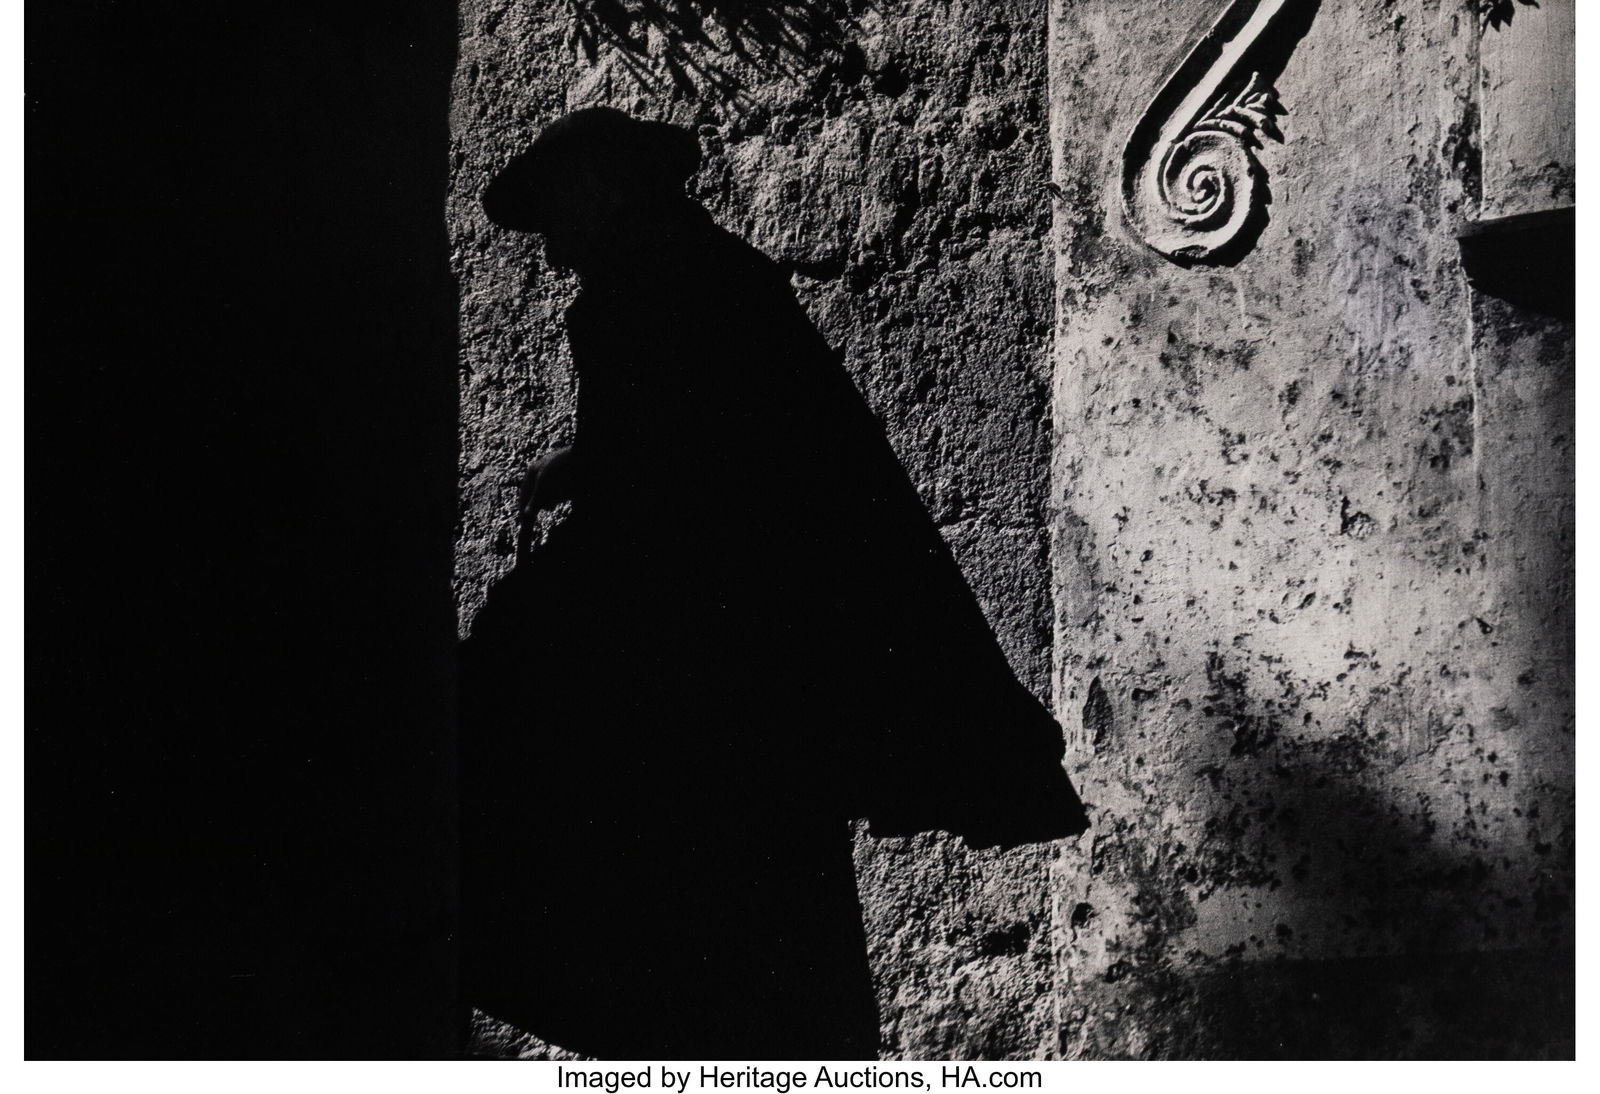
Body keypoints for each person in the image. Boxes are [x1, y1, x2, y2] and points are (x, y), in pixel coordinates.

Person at [459, 107, 1088, 1060]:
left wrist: (529, 611)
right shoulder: (711, 273)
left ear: (600, 189)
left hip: (714, 663)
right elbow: (708, 436)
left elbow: (665, 491)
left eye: (557, 216)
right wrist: (587, 463)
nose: (553, 251)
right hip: (772, 656)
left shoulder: (641, 289)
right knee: (772, 916)